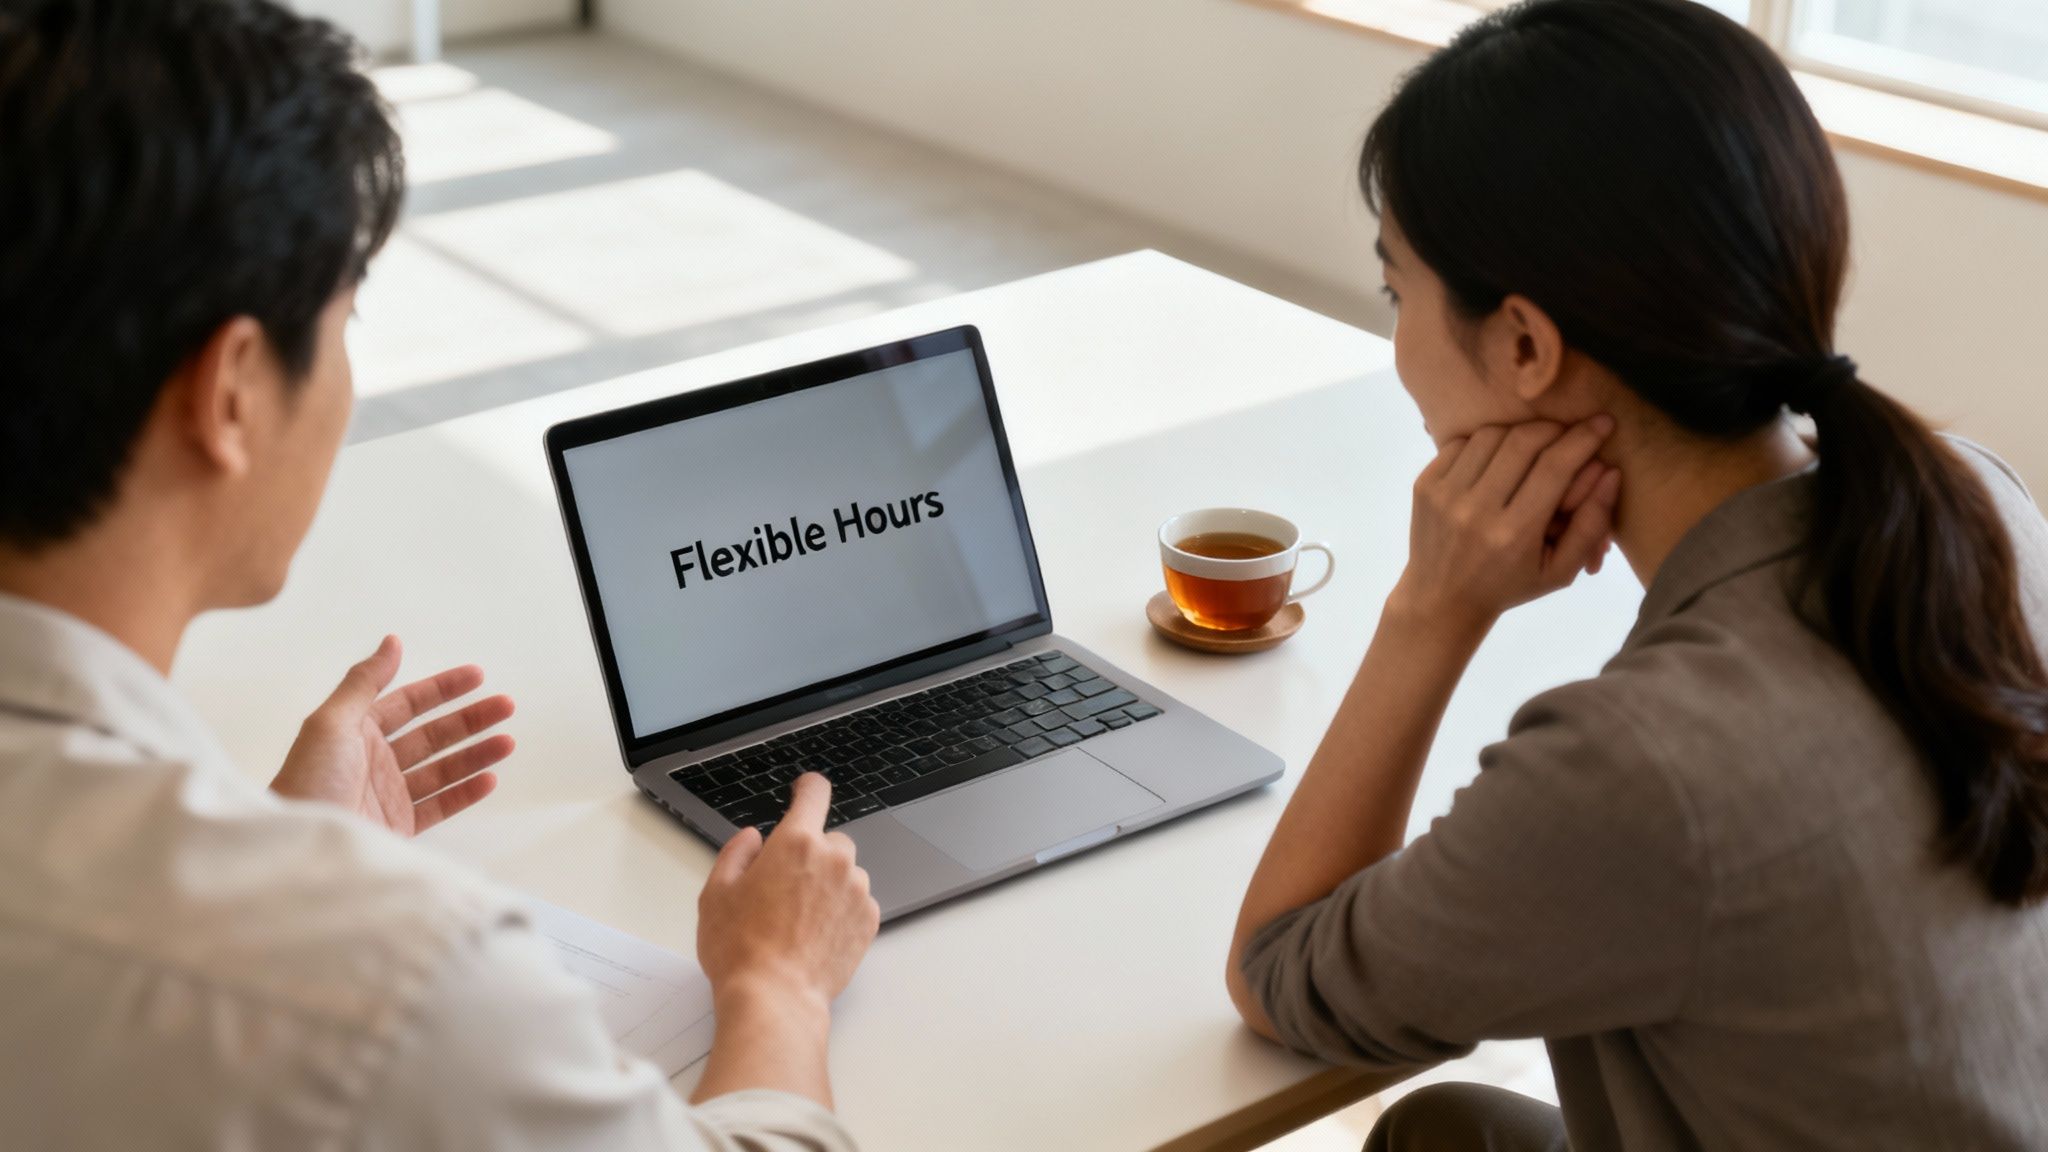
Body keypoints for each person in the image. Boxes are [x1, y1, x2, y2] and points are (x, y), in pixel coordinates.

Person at [0, 1, 879, 1148]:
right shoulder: (395, 988)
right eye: (345, 318)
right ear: (230, 394)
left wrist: (283, 849)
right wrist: (779, 983)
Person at [1223, 0, 2048, 1149]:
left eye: (1393, 290)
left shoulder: (1644, 763)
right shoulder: (1975, 499)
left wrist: (1430, 614)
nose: (1396, 336)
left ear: (1523, 345)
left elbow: (1283, 973)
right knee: (1456, 1127)